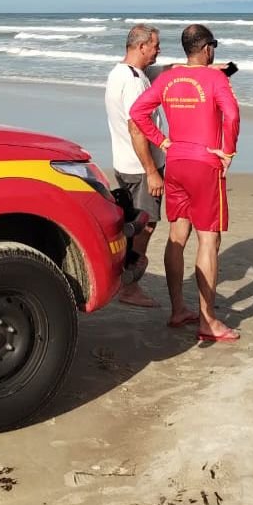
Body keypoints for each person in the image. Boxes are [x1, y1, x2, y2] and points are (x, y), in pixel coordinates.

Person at [130, 24, 241, 341]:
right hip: (205, 164)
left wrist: (162, 141)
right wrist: (229, 151)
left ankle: (178, 309)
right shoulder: (216, 78)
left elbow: (138, 112)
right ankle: (208, 320)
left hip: (176, 163)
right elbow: (232, 115)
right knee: (209, 240)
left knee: (178, 234)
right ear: (207, 48)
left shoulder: (168, 77)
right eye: (214, 46)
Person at [104, 23, 165, 308]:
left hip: (125, 161)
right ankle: (130, 286)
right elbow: (137, 127)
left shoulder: (124, 72)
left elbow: (164, 70)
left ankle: (123, 277)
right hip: (141, 167)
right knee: (145, 224)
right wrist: (152, 171)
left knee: (132, 222)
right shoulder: (133, 81)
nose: (159, 49)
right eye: (155, 45)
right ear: (142, 47)